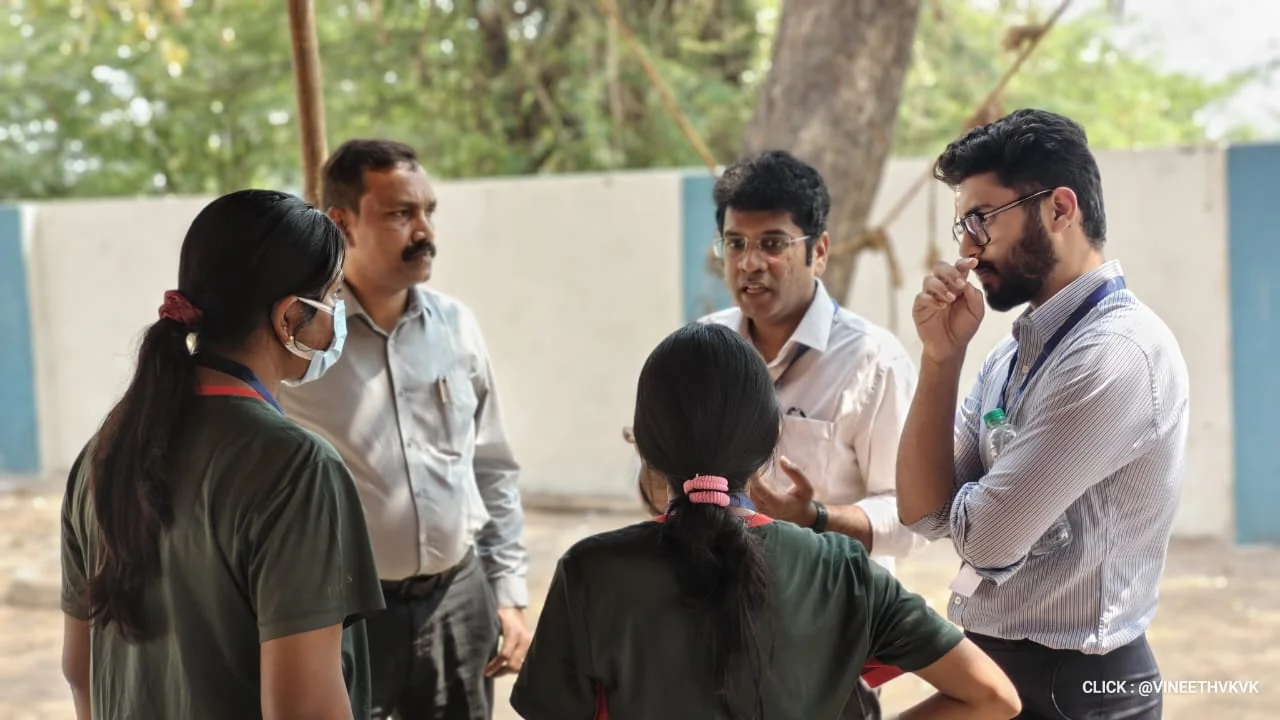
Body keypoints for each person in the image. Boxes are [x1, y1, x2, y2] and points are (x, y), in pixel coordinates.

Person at [512, 322, 1021, 720]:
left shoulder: (590, 574)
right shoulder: (841, 569)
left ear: (644, 445)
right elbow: (993, 696)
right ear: (769, 447)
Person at [896, 109, 1190, 719]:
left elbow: (987, 542)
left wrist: (970, 498)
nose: (967, 248)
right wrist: (940, 359)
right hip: (998, 666)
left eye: (980, 220)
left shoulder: (1116, 353)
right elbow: (924, 510)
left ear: (1060, 208)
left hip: (1076, 688)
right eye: (961, 226)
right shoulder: (1011, 351)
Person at [59, 189, 385, 720]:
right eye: (331, 298)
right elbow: (304, 708)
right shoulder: (296, 469)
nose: (337, 317)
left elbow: (81, 670)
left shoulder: (103, 452)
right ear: (290, 318)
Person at [625, 150, 928, 717]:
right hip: (711, 630)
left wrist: (816, 520)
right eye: (735, 243)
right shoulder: (702, 347)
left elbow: (910, 519)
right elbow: (659, 503)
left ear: (820, 249)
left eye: (772, 243)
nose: (749, 263)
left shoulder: (873, 361)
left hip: (829, 641)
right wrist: (655, 465)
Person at [278, 139, 529, 720]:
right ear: (342, 224)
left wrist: (509, 593)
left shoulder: (457, 327)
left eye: (428, 212)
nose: (424, 231)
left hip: (460, 600)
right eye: (399, 214)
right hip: (349, 616)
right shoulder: (301, 342)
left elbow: (491, 467)